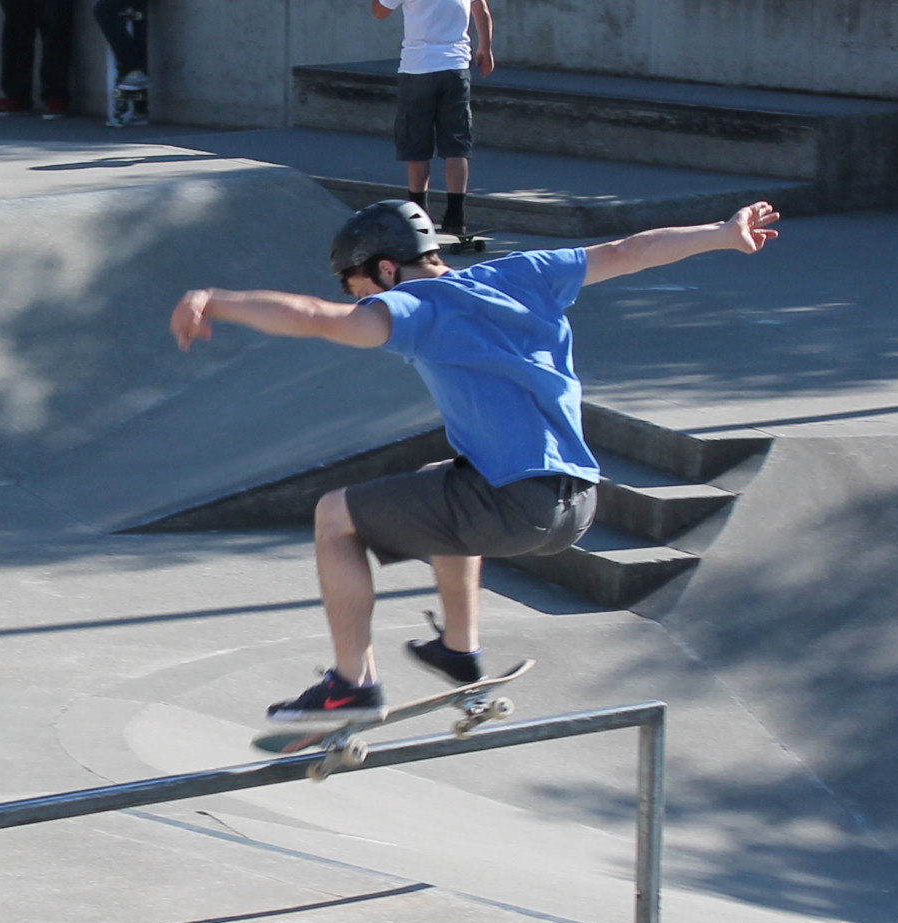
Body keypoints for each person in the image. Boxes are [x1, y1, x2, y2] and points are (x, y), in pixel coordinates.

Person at [170, 197, 783, 734]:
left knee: (335, 517)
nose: (360, 304)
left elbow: (312, 318)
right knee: (447, 478)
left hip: (517, 504)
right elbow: (628, 251)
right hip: (580, 503)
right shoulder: (523, 273)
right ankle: (460, 650)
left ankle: (350, 685)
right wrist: (723, 233)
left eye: (358, 289)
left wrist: (214, 300)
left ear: (385, 268)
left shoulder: (414, 308)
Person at [371, 0, 493, 242]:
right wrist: (484, 47)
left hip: (418, 70)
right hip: (456, 67)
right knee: (457, 145)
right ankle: (456, 217)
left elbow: (380, 10)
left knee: (417, 146)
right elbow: (481, 9)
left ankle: (418, 220)